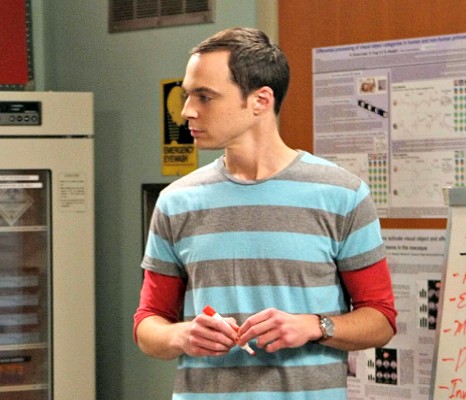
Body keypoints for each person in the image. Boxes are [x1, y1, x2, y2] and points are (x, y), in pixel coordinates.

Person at [134, 27, 397, 399]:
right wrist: (182, 334)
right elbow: (148, 325)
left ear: (260, 99)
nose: (187, 110)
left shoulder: (343, 194)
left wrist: (315, 326)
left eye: (204, 96)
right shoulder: (177, 201)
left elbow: (381, 319)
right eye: (187, 95)